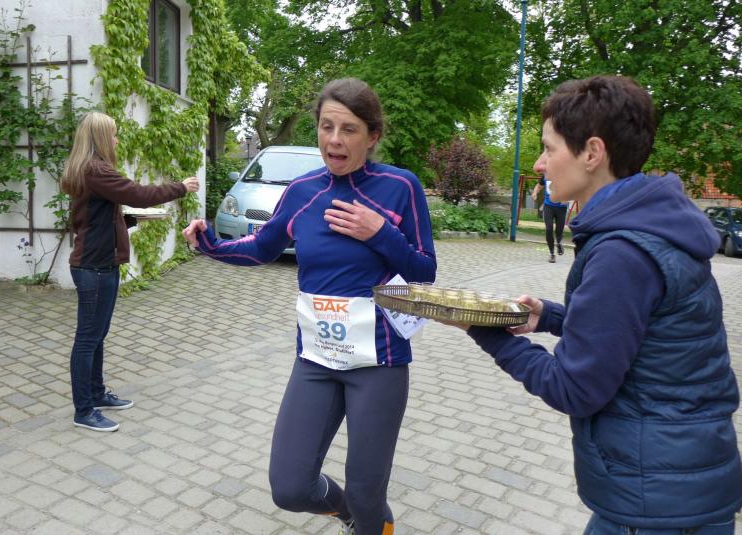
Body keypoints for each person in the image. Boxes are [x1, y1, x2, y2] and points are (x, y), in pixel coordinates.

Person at [440, 75, 742, 533]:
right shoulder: (652, 229)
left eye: (549, 148)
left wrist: (483, 329)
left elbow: (574, 389)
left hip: (654, 501)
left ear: (592, 153)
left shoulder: (623, 253)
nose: (540, 163)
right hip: (679, 483)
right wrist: (550, 316)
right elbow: (644, 334)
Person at [183, 78, 436, 535]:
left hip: (378, 362)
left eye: (349, 129)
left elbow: (424, 270)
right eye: (326, 126)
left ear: (372, 136)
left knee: (368, 494)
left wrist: (380, 233)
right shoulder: (302, 191)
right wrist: (210, 244)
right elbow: (262, 247)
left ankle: (369, 519)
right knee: (290, 487)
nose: (334, 140)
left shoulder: (400, 186)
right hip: (316, 358)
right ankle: (347, 513)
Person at [61, 111, 199, 432]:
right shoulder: (95, 170)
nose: (116, 140)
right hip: (94, 267)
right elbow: (138, 194)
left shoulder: (92, 170)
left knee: (97, 335)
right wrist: (180, 187)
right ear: (99, 138)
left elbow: (94, 217)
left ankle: (97, 394)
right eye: (112, 134)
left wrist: (129, 220)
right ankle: (84, 410)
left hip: (101, 264)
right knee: (87, 339)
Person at [531, 174, 568, 262]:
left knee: (559, 230)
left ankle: (559, 242)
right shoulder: (545, 175)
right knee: (549, 228)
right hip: (548, 206)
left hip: (561, 208)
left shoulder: (565, 174)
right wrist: (535, 193)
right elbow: (539, 186)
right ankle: (552, 254)